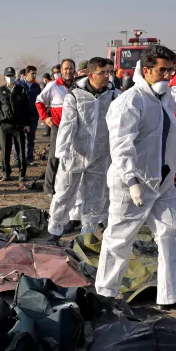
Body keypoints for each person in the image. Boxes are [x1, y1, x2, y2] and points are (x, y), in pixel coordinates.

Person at [95, 46, 176, 309]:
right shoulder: (129, 101)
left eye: (171, 70)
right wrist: (131, 181)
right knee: (119, 238)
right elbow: (121, 144)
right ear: (145, 70)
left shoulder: (165, 97)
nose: (167, 76)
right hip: (132, 183)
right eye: (162, 70)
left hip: (162, 182)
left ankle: (171, 296)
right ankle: (105, 293)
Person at [47, 57, 120, 243]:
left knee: (95, 196)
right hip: (75, 154)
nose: (106, 76)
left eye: (108, 72)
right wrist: (62, 151)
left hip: (101, 155)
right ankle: (55, 229)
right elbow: (67, 125)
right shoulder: (76, 96)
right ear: (91, 74)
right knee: (64, 193)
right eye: (102, 73)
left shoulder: (114, 95)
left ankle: (86, 233)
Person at [36, 58, 76, 196]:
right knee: (54, 157)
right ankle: (48, 188)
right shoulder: (53, 85)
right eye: (65, 68)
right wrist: (45, 118)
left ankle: (67, 186)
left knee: (73, 157)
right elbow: (39, 101)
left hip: (75, 128)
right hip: (58, 127)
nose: (68, 71)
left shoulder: (78, 86)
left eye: (70, 68)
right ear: (61, 70)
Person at [0, 67, 31, 184]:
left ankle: (22, 174)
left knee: (20, 151)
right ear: (4, 77)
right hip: (5, 125)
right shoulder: (0, 91)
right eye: (8, 76)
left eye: (12, 76)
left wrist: (27, 124)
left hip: (19, 126)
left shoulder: (21, 90)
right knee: (5, 151)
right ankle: (5, 173)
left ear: (15, 77)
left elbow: (26, 109)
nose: (10, 78)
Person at [17, 65, 42, 165]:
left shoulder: (36, 86)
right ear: (26, 74)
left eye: (35, 73)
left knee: (31, 138)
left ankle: (29, 158)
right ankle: (19, 159)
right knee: (20, 138)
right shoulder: (19, 85)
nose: (34, 75)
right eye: (32, 73)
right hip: (21, 116)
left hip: (33, 116)